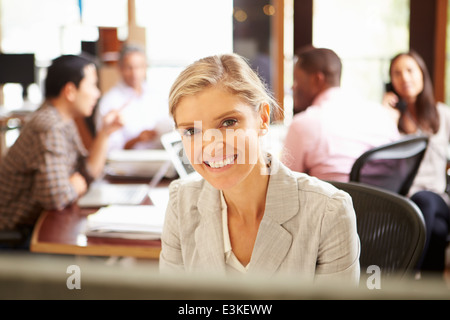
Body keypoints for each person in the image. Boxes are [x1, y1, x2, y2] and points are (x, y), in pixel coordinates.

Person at [159, 53, 360, 284]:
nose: (211, 146)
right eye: (191, 131)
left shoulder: (329, 212)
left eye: (228, 122)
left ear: (263, 119)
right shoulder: (181, 200)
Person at [0, 54, 123, 247]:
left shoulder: (64, 120)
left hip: (35, 225)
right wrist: (73, 184)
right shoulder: (49, 125)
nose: (97, 93)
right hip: (16, 235)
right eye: (92, 85)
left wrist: (105, 133)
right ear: (70, 91)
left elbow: (87, 173)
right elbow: (54, 197)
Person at [281, 46, 400, 182]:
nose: (292, 87)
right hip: (389, 202)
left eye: (296, 80)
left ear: (317, 80)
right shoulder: (382, 114)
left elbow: (285, 184)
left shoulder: (303, 124)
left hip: (334, 202)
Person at [383, 50, 450, 276]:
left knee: (424, 201)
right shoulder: (388, 118)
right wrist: (385, 119)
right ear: (390, 81)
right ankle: (428, 290)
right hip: (402, 201)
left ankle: (405, 278)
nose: (405, 78)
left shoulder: (443, 114)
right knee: (438, 231)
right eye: (397, 73)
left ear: (422, 74)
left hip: (436, 198)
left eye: (410, 70)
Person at [95, 43, 173, 151]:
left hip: (160, 156)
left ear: (146, 67)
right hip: (127, 164)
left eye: (139, 67)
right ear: (120, 68)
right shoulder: (110, 101)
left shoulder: (157, 95)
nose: (135, 73)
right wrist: (137, 139)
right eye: (129, 67)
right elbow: (110, 150)